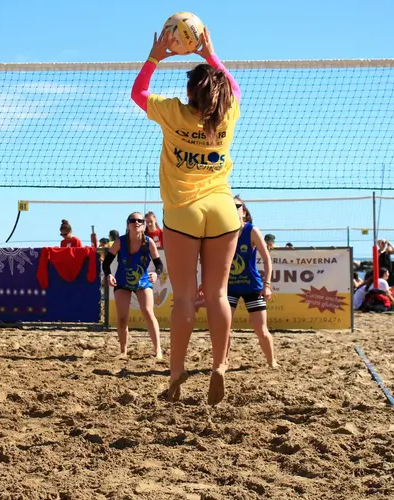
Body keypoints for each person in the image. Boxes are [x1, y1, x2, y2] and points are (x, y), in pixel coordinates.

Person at [131, 27, 242, 404]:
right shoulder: (229, 113)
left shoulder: (173, 112)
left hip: (184, 211)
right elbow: (234, 88)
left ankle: (176, 375)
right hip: (224, 209)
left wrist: (155, 56)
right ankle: (219, 365)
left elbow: (138, 93)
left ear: (190, 93)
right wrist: (211, 54)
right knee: (217, 294)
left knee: (183, 299)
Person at [102, 212, 163, 359]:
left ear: (144, 225)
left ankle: (158, 350)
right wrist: (109, 274)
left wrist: (156, 274)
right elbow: (106, 262)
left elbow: (159, 264)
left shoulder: (149, 242)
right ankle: (123, 351)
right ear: (128, 224)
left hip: (142, 282)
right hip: (122, 282)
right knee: (122, 317)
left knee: (148, 312)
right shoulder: (120, 242)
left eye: (140, 221)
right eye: (133, 220)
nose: (136, 223)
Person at [226, 197, 277, 368]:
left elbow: (267, 259)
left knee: (261, 330)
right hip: (229, 287)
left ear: (244, 212)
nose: (233, 209)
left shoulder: (252, 231)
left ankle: (272, 362)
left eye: (237, 206)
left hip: (252, 286)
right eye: (229, 207)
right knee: (223, 327)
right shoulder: (223, 231)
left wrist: (267, 285)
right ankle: (223, 362)